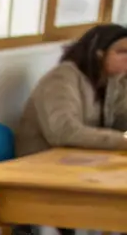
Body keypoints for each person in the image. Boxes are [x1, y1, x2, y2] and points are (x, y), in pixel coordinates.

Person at [16, 22, 127, 155]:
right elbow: (63, 132)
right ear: (99, 53)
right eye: (123, 52)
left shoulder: (115, 80)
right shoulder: (61, 78)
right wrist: (121, 141)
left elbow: (121, 120)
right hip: (43, 159)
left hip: (86, 158)